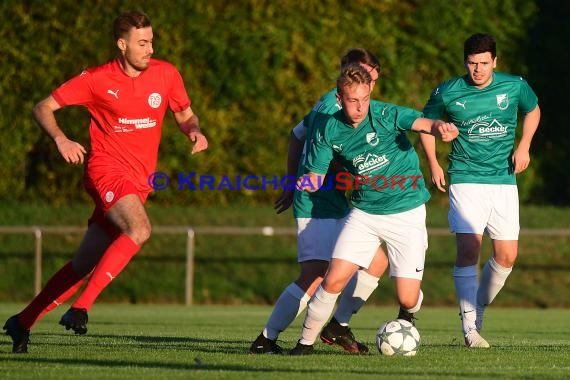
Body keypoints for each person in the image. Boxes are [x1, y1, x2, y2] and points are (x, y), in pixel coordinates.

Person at [3, 10, 208, 354]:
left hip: (139, 182)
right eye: (142, 43)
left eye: (151, 41)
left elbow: (184, 113)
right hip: (105, 171)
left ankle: (22, 322)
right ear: (121, 44)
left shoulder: (166, 74)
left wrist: (194, 130)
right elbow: (43, 107)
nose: (149, 48)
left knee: (83, 264)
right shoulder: (96, 79)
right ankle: (82, 308)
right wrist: (61, 140)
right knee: (140, 229)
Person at [291, 64, 458, 355]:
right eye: (353, 100)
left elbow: (422, 123)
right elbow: (317, 175)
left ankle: (406, 317)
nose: (360, 107)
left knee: (407, 298)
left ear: (371, 93)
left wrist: (441, 126)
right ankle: (304, 345)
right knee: (332, 279)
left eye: (364, 99)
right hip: (365, 213)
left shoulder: (385, 114)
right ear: (340, 99)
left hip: (406, 212)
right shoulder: (329, 128)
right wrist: (306, 181)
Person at [250, 48, 388, 355]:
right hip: (317, 202)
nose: (368, 85)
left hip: (336, 202)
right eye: (363, 76)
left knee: (376, 262)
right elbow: (330, 151)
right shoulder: (331, 106)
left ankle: (338, 325)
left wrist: (289, 182)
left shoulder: (349, 105)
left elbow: (296, 135)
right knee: (315, 275)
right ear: (346, 76)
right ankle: (266, 339)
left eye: (373, 80)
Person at [421, 33, 540, 348]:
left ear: (495, 62)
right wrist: (433, 163)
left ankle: (478, 308)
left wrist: (524, 146)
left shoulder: (514, 85)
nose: (478, 70)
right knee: (469, 249)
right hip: (465, 178)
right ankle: (470, 329)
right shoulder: (447, 91)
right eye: (472, 63)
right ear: (465, 62)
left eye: (484, 63)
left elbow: (534, 109)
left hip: (503, 179)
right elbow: (426, 124)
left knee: (507, 255)